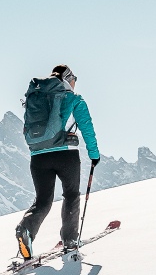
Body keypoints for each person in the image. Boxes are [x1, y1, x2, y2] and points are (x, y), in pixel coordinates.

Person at [15, 65, 100, 259]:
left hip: (38, 156)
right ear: (68, 79)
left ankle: (25, 229)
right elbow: (87, 127)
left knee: (43, 200)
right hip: (66, 154)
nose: (75, 84)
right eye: (74, 79)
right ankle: (70, 241)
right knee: (71, 195)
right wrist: (94, 154)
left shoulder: (37, 98)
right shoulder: (73, 99)